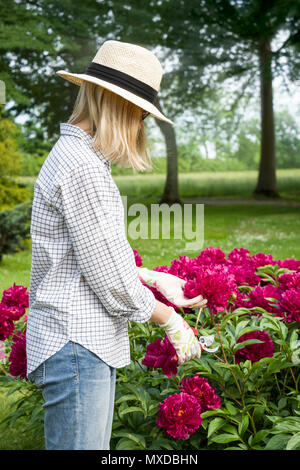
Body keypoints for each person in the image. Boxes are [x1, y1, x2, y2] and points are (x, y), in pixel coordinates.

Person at [26, 40, 207, 450]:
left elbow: (88, 254)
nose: (140, 124)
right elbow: (107, 276)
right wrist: (170, 321)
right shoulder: (81, 167)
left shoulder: (79, 158)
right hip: (76, 343)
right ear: (118, 104)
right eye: (140, 113)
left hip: (81, 343)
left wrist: (153, 277)